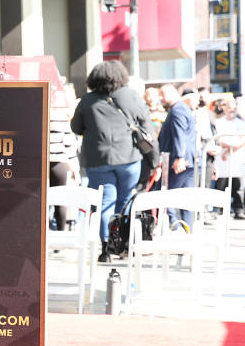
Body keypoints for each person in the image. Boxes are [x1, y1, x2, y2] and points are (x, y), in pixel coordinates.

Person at [71, 60, 151, 262]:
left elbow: (76, 128)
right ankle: (123, 245)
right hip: (129, 158)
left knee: (105, 203)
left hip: (98, 159)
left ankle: (106, 248)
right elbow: (145, 122)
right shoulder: (130, 94)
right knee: (125, 201)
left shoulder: (87, 100)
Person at [158, 86, 199, 228]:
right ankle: (187, 234)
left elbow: (179, 134)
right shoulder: (182, 109)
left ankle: (177, 229)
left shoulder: (177, 110)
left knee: (164, 197)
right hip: (187, 161)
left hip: (180, 161)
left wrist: (179, 157)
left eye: (162, 95)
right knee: (185, 201)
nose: (160, 99)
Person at [212, 98, 245, 218]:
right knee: (221, 185)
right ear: (224, 108)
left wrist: (230, 149)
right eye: (229, 108)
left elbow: (243, 139)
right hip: (222, 160)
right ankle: (220, 209)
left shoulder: (241, 123)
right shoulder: (218, 122)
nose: (232, 110)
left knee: (238, 186)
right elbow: (219, 139)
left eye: (234, 108)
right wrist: (228, 148)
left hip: (237, 158)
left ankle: (239, 210)